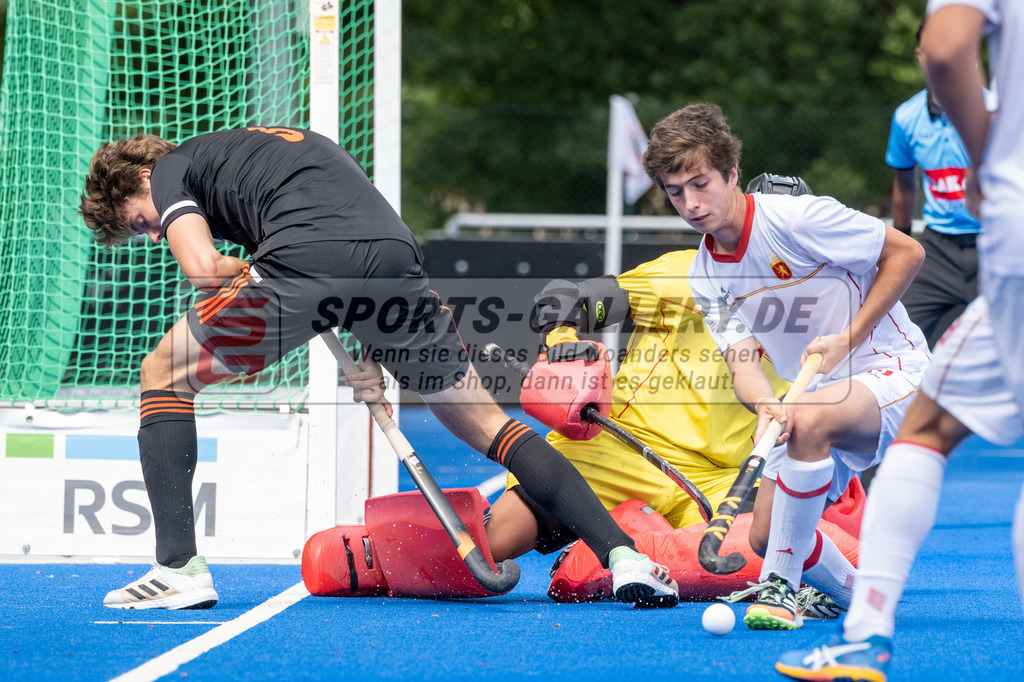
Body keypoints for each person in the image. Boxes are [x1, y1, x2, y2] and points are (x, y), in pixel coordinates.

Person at [78, 126, 678, 610]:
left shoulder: (175, 168)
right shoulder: (263, 149)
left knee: (162, 372)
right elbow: (361, 244)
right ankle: (627, 559)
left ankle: (178, 568)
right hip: (395, 262)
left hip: (309, 260)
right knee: (491, 426)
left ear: (140, 177)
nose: (154, 234)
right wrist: (372, 352)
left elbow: (204, 268)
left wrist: (248, 272)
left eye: (141, 221)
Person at [777, 1, 1024, 679]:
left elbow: (947, 48)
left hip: (1012, 242)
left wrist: (990, 161)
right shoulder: (906, 123)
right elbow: (902, 187)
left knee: (924, 430)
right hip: (950, 248)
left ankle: (865, 635)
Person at [639, 102, 929, 631]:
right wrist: (765, 403)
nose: (690, 203)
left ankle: (780, 588)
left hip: (893, 369)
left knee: (812, 419)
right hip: (817, 394)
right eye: (675, 191)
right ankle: (854, 594)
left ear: (731, 174)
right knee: (765, 536)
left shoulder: (799, 219)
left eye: (701, 183)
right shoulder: (706, 275)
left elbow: (907, 252)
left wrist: (847, 337)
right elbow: (743, 361)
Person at [886, 20, 992, 347]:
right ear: (922, 56)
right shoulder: (906, 117)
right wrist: (900, 246)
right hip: (937, 248)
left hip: (992, 242)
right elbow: (904, 183)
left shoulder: (995, 110)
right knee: (894, 332)